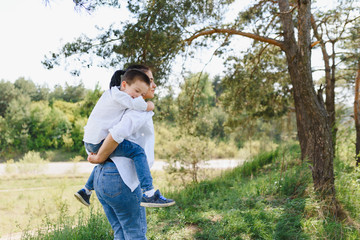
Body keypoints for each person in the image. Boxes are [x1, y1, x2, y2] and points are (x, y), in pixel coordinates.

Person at [74, 66, 175, 208]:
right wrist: (149, 105)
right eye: (137, 91)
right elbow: (133, 110)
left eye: (141, 93)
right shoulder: (122, 97)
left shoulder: (111, 93)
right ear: (124, 84)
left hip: (90, 140)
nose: (137, 95)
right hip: (99, 142)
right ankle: (149, 193)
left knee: (109, 155)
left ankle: (86, 190)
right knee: (137, 151)